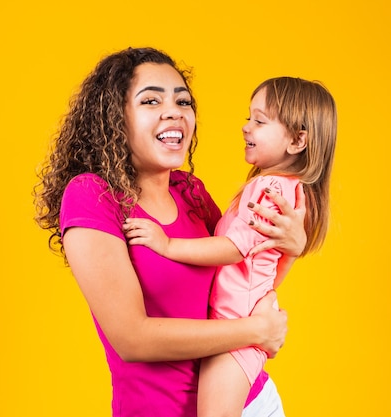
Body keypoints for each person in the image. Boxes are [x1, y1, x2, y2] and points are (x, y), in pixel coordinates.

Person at [34, 47, 308, 417]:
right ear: (116, 118)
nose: (173, 111)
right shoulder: (91, 197)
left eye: (183, 101)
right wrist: (257, 332)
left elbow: (241, 276)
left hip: (254, 401)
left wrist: (291, 248)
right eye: (150, 100)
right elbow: (132, 338)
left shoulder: (190, 191)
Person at [124, 76, 337, 417]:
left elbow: (235, 248)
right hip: (241, 325)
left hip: (235, 330)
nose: (245, 127)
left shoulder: (270, 188)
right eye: (248, 117)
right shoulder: (280, 186)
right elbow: (266, 263)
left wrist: (165, 244)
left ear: (298, 140)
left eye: (259, 121)